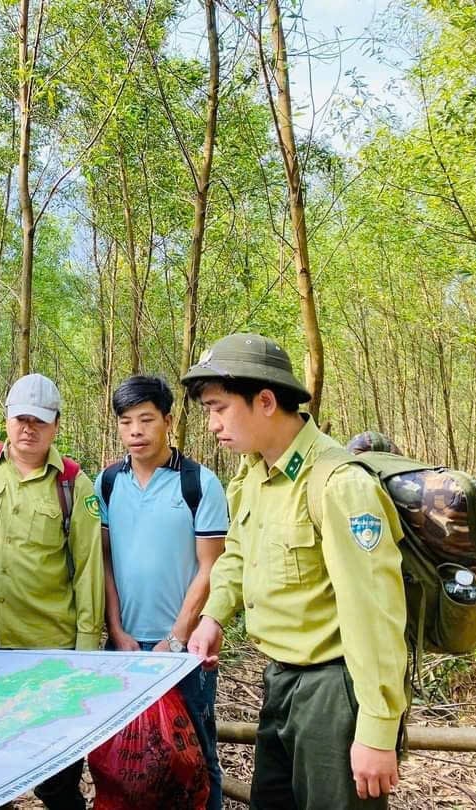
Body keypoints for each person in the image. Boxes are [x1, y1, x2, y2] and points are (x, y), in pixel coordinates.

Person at [183, 333, 407, 809]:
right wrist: (213, 616)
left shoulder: (337, 484)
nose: (212, 425)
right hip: (281, 680)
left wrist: (377, 730)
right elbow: (238, 553)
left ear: (265, 401)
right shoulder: (253, 473)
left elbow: (375, 615)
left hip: (336, 691)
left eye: (219, 408)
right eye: (208, 411)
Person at [0, 373, 104, 810]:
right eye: (20, 419)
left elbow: (88, 570)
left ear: (56, 425)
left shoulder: (73, 485)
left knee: (56, 770)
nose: (28, 429)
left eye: (39, 421)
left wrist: (87, 648)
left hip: (47, 645)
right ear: (7, 419)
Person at [95, 375, 227, 809]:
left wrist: (175, 638)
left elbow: (211, 566)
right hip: (126, 647)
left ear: (168, 421)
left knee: (197, 756)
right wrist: (116, 629)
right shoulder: (108, 483)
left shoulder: (199, 484)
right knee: (126, 759)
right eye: (126, 421)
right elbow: (107, 561)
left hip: (184, 651)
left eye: (146, 419)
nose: (135, 431)